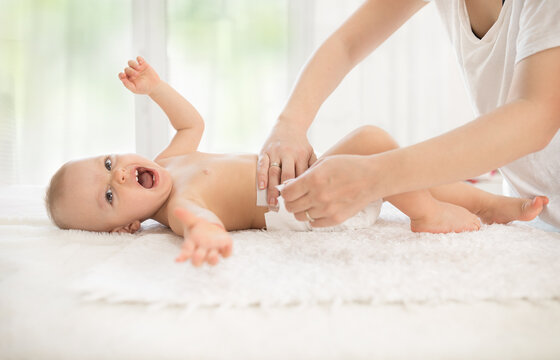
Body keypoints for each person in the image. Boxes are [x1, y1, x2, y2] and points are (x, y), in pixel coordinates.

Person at [45, 57, 547, 267]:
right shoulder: (177, 206)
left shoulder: (168, 160)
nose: (119, 173)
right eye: (111, 194)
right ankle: (427, 214)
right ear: (126, 227)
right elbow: (196, 219)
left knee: (391, 166)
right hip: (304, 209)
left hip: (307, 181)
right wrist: (207, 236)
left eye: (109, 161)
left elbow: (190, 125)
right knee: (371, 141)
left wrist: (156, 89)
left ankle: (489, 205)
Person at [257, 0, 560, 230]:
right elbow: (346, 44)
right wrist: (290, 124)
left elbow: (535, 116)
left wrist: (375, 177)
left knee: (372, 146)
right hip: (537, 216)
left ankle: (464, 206)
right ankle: (484, 203)